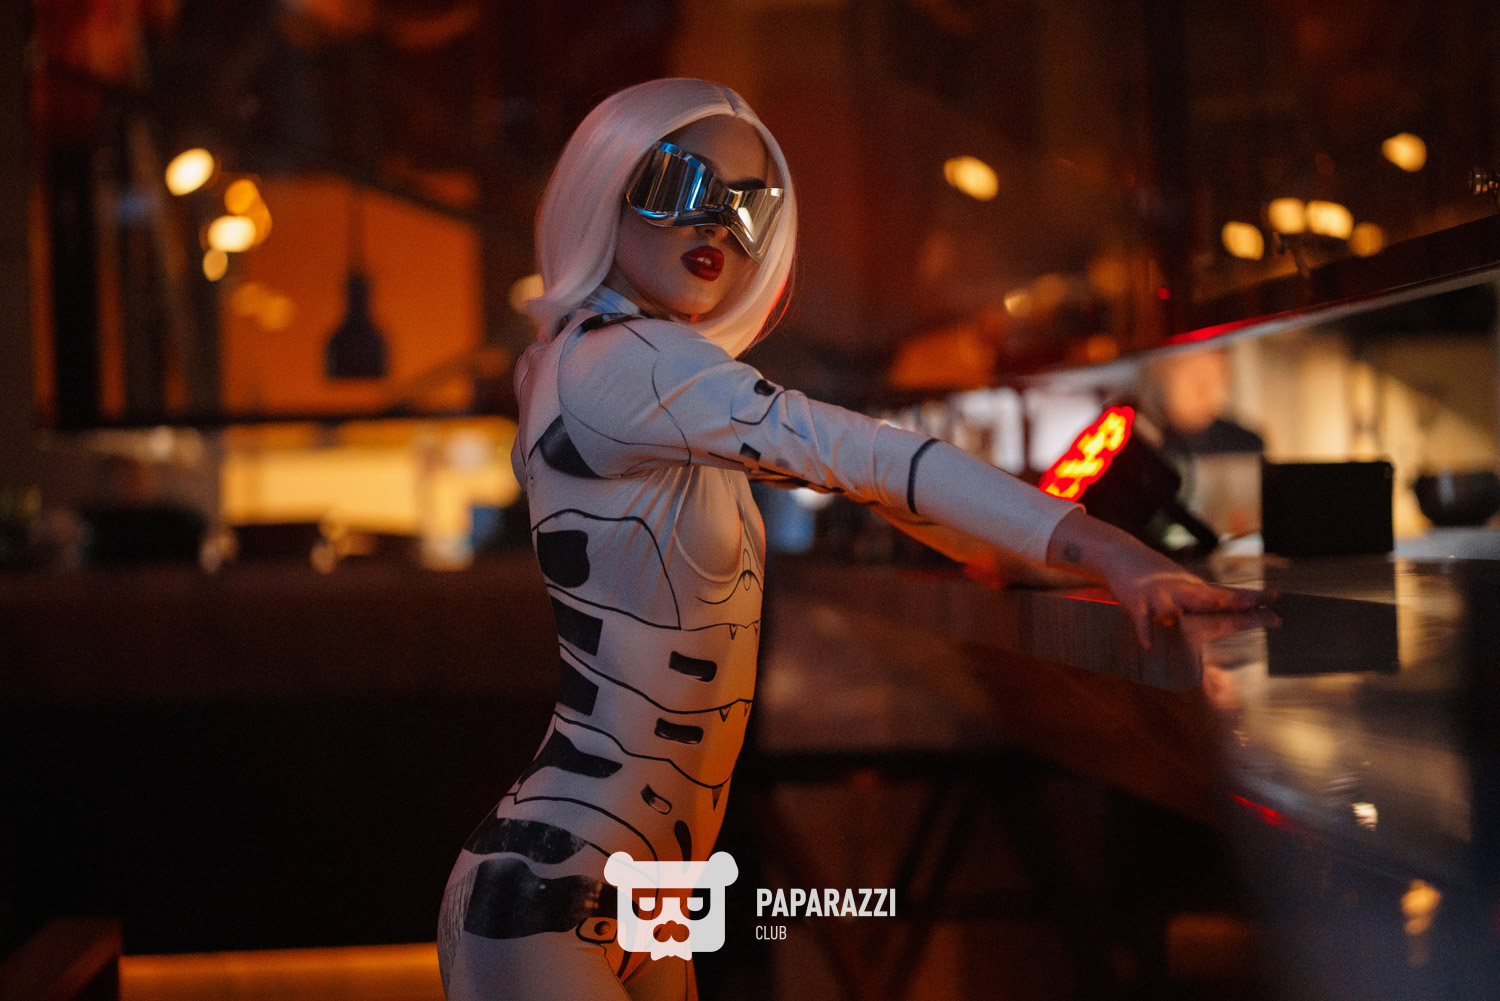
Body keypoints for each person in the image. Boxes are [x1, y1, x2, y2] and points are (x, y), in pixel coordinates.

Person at [436, 77, 1271, 1001]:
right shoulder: (619, 359)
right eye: (681, 183)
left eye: (751, 206)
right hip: (554, 887)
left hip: (640, 885)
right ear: (605, 183)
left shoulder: (611, 367)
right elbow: (860, 453)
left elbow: (865, 480)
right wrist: (1106, 548)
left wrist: (1016, 549)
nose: (718, 224)